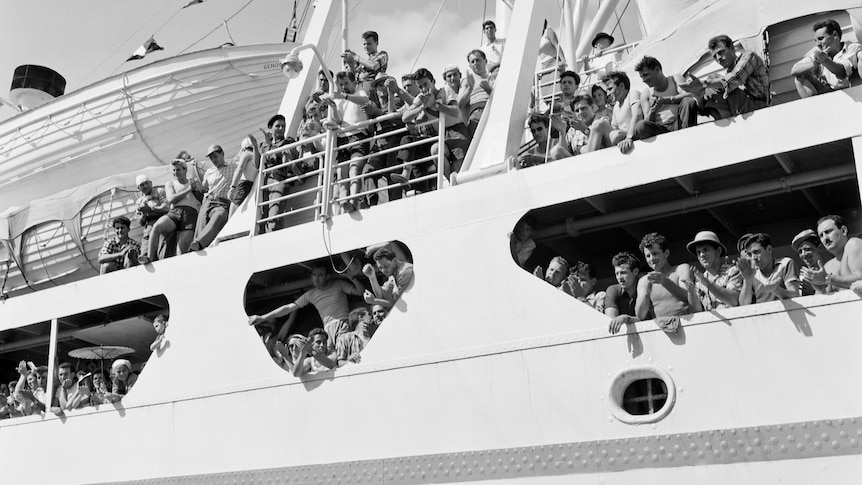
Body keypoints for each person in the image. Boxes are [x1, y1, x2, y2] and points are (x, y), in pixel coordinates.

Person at [248, 263, 366, 347]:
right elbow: (289, 308)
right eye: (314, 275)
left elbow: (361, 292)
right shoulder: (311, 294)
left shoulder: (338, 284)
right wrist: (263, 317)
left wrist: (350, 276)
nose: (317, 279)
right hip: (327, 330)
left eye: (320, 275)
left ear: (327, 276)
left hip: (342, 324)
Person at [399, 68, 471, 182]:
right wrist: (423, 107)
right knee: (435, 151)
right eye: (420, 86)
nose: (424, 89)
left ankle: (458, 184)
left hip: (457, 132)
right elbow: (405, 117)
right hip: (442, 136)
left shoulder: (445, 91)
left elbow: (456, 111)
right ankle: (451, 183)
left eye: (426, 84)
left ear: (433, 81)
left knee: (459, 167)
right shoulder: (421, 98)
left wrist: (435, 105)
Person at [682, 35, 769, 120]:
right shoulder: (727, 74)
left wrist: (703, 84)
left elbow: (735, 78)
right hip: (742, 111)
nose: (718, 58)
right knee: (710, 87)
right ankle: (726, 121)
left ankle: (727, 121)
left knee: (713, 79)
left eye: (720, 52)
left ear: (732, 48)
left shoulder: (749, 56)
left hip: (759, 109)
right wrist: (699, 97)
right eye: (714, 56)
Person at [323, 71, 371, 213]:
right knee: (342, 172)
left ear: (354, 83)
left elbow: (365, 101)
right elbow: (338, 120)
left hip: (358, 136)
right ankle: (345, 202)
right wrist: (333, 107)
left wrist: (344, 96)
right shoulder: (339, 99)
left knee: (354, 168)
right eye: (341, 84)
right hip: (343, 138)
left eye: (346, 83)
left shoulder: (359, 92)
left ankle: (354, 199)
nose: (343, 87)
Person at [139, 159, 202, 263]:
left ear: (185, 169)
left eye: (178, 170)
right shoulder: (170, 183)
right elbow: (171, 198)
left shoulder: (193, 181)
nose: (175, 173)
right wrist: (189, 189)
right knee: (157, 227)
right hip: (175, 212)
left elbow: (201, 198)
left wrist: (195, 189)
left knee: (181, 251)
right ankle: (149, 257)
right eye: (173, 170)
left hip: (190, 215)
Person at [791, 19, 861, 99]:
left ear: (835, 35)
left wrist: (824, 61)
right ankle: (814, 107)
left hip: (852, 92)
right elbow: (794, 70)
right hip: (830, 92)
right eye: (815, 41)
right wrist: (814, 63)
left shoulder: (852, 48)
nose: (817, 44)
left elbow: (841, 73)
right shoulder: (819, 54)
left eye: (820, 39)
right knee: (799, 76)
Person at [632, 56, 696, 140]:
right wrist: (653, 110)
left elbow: (689, 95)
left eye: (646, 75)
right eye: (641, 77)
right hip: (660, 129)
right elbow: (647, 122)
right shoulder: (646, 93)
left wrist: (666, 100)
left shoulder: (675, 79)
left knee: (688, 101)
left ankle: (687, 137)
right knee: (640, 126)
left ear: (657, 69)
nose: (644, 80)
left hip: (680, 123)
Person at [188, 144, 236, 251]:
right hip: (208, 201)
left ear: (222, 154)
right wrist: (196, 185)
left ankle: (199, 244)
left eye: (215, 156)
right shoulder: (209, 172)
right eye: (211, 158)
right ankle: (196, 248)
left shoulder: (233, 167)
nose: (213, 160)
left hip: (222, 202)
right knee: (201, 226)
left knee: (220, 216)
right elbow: (204, 189)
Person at [635, 232, 692, 321]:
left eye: (655, 253)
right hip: (662, 330)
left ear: (666, 253)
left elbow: (689, 297)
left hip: (687, 323)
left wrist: (665, 282)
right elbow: (640, 315)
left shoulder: (681, 269)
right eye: (648, 256)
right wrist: (645, 291)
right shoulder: (643, 281)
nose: (652, 259)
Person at [800, 215, 862, 291]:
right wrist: (817, 284)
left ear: (843, 230)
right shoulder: (828, 266)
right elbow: (825, 296)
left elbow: (860, 280)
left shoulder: (853, 243)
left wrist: (827, 278)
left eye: (828, 232)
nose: (825, 238)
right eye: (821, 235)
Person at [685, 230, 741, 311]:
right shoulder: (699, 280)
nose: (702, 255)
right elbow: (697, 311)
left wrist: (708, 284)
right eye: (698, 252)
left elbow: (733, 300)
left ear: (718, 251)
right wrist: (690, 292)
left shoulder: (733, 271)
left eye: (705, 250)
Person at [737, 232, 800, 305]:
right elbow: (744, 304)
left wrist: (776, 290)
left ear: (769, 249)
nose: (753, 257)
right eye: (750, 254)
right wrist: (747, 280)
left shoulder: (785, 263)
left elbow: (795, 295)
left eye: (756, 252)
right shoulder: (751, 273)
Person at [260, 114, 298, 232]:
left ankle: (272, 237)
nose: (281, 129)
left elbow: (285, 158)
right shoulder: (263, 145)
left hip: (279, 179)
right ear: (271, 128)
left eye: (283, 126)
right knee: (262, 215)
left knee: (274, 215)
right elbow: (257, 164)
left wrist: (271, 145)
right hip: (264, 181)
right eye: (278, 126)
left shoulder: (289, 141)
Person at [587, 71, 641, 154]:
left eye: (610, 89)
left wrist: (629, 138)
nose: (608, 93)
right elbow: (614, 127)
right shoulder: (616, 106)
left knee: (610, 131)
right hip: (619, 137)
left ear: (622, 86)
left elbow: (637, 115)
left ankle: (589, 159)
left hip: (632, 135)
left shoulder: (632, 94)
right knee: (598, 125)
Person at [135, 174, 173, 261]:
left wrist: (150, 210)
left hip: (163, 223)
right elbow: (141, 222)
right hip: (149, 228)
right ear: (138, 189)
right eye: (141, 185)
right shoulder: (139, 202)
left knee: (163, 252)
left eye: (146, 183)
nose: (145, 186)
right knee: (145, 253)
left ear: (151, 183)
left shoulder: (160, 192)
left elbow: (166, 209)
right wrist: (144, 213)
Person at [606, 252, 644, 334]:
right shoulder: (613, 290)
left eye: (623, 273)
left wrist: (627, 319)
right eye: (617, 273)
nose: (619, 278)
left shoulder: (646, 288)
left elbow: (649, 320)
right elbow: (611, 321)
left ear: (636, 271)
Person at [791, 229, 832, 295]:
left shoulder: (832, 269)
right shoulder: (802, 280)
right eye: (800, 251)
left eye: (807, 249)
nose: (804, 254)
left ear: (820, 248)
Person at [228, 135, 260, 216]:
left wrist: (233, 187)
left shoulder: (246, 154)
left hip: (242, 185)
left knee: (233, 214)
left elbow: (239, 170)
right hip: (250, 186)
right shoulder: (257, 156)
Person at [464, 50, 495, 135]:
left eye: (478, 60)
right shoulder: (467, 82)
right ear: (470, 65)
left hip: (494, 110)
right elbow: (459, 103)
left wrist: (490, 91)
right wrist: (469, 89)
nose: (475, 63)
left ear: (485, 61)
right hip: (477, 114)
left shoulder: (495, 78)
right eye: (472, 61)